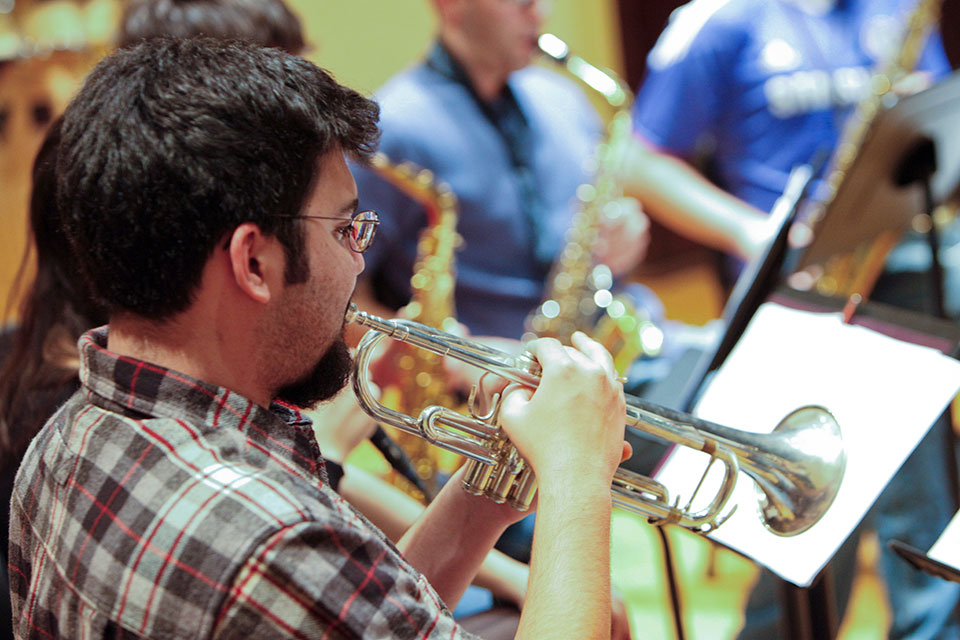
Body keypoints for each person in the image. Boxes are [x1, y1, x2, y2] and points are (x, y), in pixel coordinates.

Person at [8, 36, 632, 638]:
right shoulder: (269, 541)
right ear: (253, 261)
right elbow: (288, 569)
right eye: (345, 230)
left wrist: (484, 495)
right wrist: (578, 473)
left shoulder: (68, 436)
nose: (360, 263)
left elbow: (357, 618)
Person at [614, 1, 959, 638]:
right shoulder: (720, 20)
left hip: (900, 263)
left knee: (920, 479)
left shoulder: (895, 9)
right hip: (797, 288)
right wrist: (753, 229)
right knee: (814, 495)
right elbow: (641, 159)